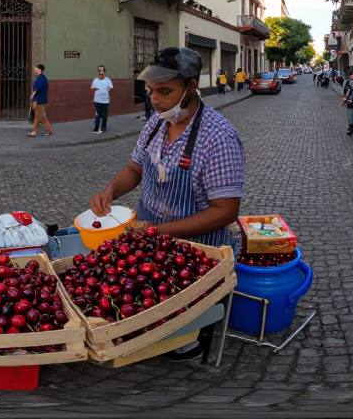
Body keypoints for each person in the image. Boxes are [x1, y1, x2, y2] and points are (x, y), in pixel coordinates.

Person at [91, 47, 245, 361]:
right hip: (151, 242)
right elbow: (135, 168)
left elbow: (225, 210)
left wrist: (159, 230)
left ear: (191, 87)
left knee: (179, 328)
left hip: (195, 254)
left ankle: (192, 333)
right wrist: (111, 190)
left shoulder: (218, 137)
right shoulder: (156, 125)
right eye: (150, 91)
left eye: (165, 91)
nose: (155, 100)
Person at [27, 64, 51, 137]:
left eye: (37, 69)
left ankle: (35, 132)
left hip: (39, 100)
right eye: (35, 69)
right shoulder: (41, 78)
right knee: (41, 116)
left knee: (39, 117)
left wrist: (32, 96)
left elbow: (37, 89)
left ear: (41, 70)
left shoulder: (41, 78)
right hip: (40, 99)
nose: (35, 70)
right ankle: (48, 131)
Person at [91, 65, 112, 134]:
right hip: (97, 100)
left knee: (104, 115)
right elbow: (92, 88)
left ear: (104, 71)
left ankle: (103, 126)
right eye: (100, 70)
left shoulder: (107, 80)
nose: (101, 71)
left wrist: (109, 95)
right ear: (98, 71)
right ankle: (96, 127)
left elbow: (111, 88)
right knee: (97, 115)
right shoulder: (95, 80)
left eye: (102, 70)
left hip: (105, 101)